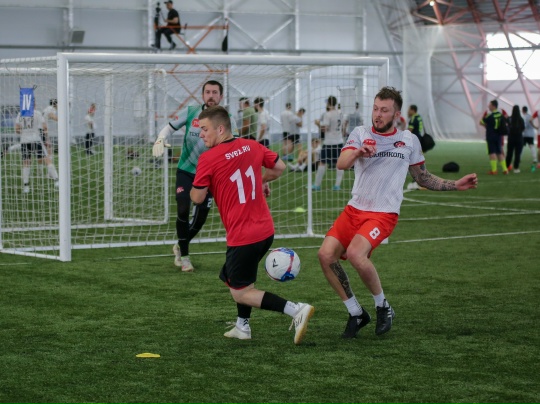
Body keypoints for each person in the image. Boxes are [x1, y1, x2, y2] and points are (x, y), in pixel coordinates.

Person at [317, 86, 478, 339]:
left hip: (383, 213)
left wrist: (455, 184)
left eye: (384, 110)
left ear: (396, 114)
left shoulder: (409, 140)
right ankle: (356, 313)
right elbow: (341, 163)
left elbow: (422, 177)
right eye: (375, 109)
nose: (378, 114)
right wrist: (358, 151)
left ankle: (383, 306)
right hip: (354, 209)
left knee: (357, 254)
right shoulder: (360, 133)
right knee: (325, 255)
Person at [190, 105, 314, 345]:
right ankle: (242, 326)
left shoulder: (208, 158)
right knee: (230, 275)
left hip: (243, 236)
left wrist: (196, 185)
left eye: (204, 129)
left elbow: (197, 197)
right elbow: (279, 167)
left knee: (241, 292)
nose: (201, 134)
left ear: (220, 129)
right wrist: (260, 180)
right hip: (265, 230)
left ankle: (296, 309)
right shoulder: (252, 145)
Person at [152, 80, 239, 272]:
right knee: (183, 209)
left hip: (210, 176)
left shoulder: (228, 119)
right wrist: (161, 138)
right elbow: (169, 127)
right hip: (186, 170)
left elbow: (235, 144)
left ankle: (179, 245)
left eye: (215, 92)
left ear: (221, 96)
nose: (211, 96)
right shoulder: (191, 112)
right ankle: (184, 257)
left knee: (199, 219)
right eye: (207, 92)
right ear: (203, 95)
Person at [15, 96, 59, 193]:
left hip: (29, 140)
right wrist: (44, 137)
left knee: (30, 161)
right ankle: (56, 180)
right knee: (43, 160)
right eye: (33, 102)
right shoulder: (33, 113)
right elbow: (44, 127)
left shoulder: (24, 113)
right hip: (32, 140)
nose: (34, 104)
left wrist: (25, 131)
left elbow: (17, 129)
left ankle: (27, 186)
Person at [312, 95, 344, 191]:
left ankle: (317, 185)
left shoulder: (328, 114)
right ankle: (337, 185)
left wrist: (318, 123)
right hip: (339, 141)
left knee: (322, 162)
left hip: (329, 142)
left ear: (329, 103)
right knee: (339, 163)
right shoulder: (340, 113)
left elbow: (324, 128)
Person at [480, 100, 509, 175]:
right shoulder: (500, 114)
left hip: (491, 136)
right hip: (499, 136)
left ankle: (494, 170)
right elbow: (507, 121)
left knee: (492, 152)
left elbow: (481, 122)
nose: (488, 106)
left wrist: (487, 126)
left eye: (490, 105)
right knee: (499, 152)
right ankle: (505, 169)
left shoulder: (489, 115)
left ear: (493, 106)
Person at [505, 105, 525, 173]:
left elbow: (506, 126)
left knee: (509, 153)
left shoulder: (509, 118)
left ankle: (507, 167)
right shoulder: (521, 119)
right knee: (517, 154)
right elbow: (523, 128)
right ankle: (516, 168)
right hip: (519, 138)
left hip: (511, 138)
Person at [522, 106, 538, 172]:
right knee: (531, 146)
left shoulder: (524, 117)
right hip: (531, 134)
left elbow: (524, 126)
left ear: (523, 110)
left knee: (522, 146)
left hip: (525, 134)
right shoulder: (530, 116)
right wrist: (534, 127)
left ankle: (519, 158)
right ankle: (535, 159)